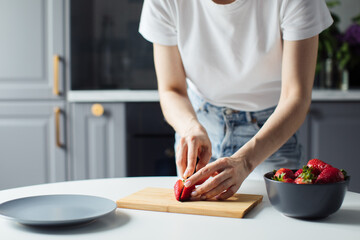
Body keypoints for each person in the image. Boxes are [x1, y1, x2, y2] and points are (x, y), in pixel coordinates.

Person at [139, 0, 333, 200]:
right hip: (200, 126)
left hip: (270, 137)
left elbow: (296, 97)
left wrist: (246, 161)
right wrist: (190, 128)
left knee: (271, 226)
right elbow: (172, 90)